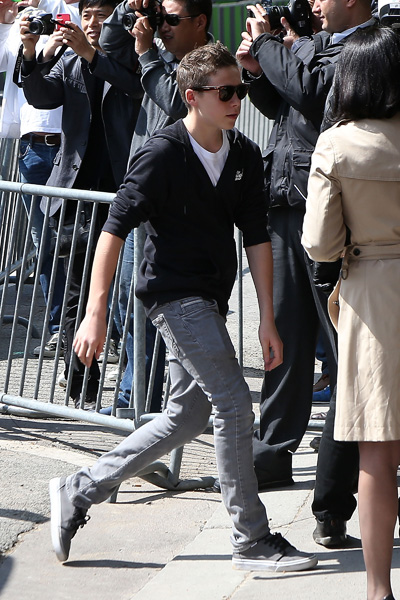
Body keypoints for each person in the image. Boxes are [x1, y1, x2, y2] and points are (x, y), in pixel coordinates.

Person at [48, 41, 318, 573]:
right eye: (225, 93)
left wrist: (267, 317)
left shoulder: (243, 155)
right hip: (172, 295)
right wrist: (95, 313)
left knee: (187, 414)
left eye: (240, 90)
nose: (236, 101)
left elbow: (256, 238)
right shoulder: (162, 152)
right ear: (193, 97)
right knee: (235, 404)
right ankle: (250, 539)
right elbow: (113, 230)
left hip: (211, 297)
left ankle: (80, 488)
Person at [236, 0, 374, 545]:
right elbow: (285, 101)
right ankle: (272, 452)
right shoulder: (315, 43)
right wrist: (257, 71)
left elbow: (315, 94)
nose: (313, 2)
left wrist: (269, 45)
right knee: (283, 335)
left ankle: (335, 492)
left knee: (344, 353)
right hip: (287, 200)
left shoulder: (371, 45)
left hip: (335, 214)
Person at [302, 24, 400, 600]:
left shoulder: (336, 145)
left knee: (376, 450)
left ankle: (377, 589)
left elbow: (320, 242)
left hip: (371, 294)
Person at [20, 0, 143, 409]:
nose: (92, 23)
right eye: (87, 15)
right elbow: (42, 98)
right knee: (77, 291)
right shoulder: (69, 59)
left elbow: (135, 87)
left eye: (102, 15)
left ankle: (133, 388)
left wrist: (92, 55)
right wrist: (32, 54)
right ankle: (81, 385)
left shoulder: (133, 56)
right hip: (77, 194)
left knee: (123, 295)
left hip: (123, 192)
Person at [98, 0, 213, 414]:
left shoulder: (211, 64)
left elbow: (179, 106)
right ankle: (136, 394)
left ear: (199, 22)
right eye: (159, 18)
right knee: (126, 302)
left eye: (171, 20)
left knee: (151, 307)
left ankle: (139, 400)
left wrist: (146, 54)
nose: (162, 27)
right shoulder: (161, 55)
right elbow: (109, 43)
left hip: (175, 209)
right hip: (140, 195)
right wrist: (127, 8)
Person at [0, 0, 80, 357]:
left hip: (75, 146)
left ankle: (96, 328)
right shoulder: (26, 17)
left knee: (82, 241)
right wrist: (9, 24)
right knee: (45, 245)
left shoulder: (86, 13)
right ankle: (59, 329)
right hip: (33, 147)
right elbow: (6, 63)